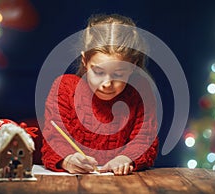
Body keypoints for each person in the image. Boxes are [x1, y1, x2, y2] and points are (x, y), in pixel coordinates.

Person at [41, 13, 159, 175]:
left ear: (133, 66)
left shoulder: (140, 90)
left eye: (118, 74)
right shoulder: (64, 88)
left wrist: (125, 158)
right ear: (85, 61)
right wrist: (67, 160)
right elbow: (53, 138)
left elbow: (145, 139)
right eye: (98, 72)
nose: (107, 84)